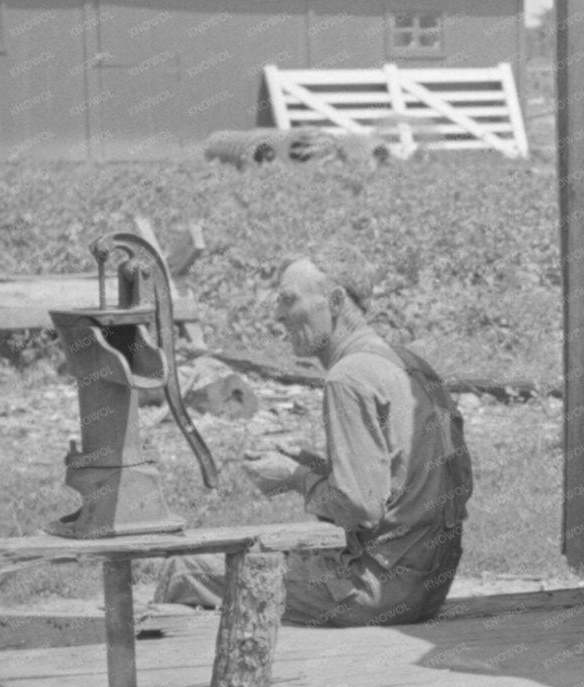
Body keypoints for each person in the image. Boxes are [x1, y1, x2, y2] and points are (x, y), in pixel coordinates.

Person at [157, 255, 473, 626]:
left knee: (185, 568)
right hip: (429, 587)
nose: (278, 315)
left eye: (288, 300)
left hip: (372, 592)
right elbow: (414, 484)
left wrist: (296, 478)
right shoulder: (411, 364)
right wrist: (320, 468)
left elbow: (360, 508)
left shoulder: (348, 378)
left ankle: (144, 674)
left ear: (336, 302)